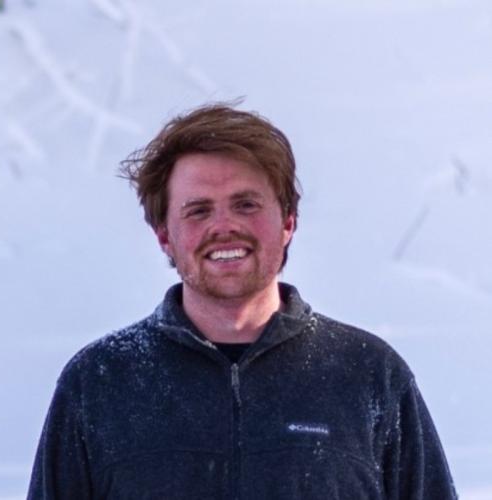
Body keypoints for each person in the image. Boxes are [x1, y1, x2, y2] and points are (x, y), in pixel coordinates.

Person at [27, 104, 457, 499]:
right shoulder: (100, 382)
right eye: (198, 210)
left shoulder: (368, 375)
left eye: (246, 204)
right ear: (164, 236)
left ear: (288, 222)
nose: (224, 226)